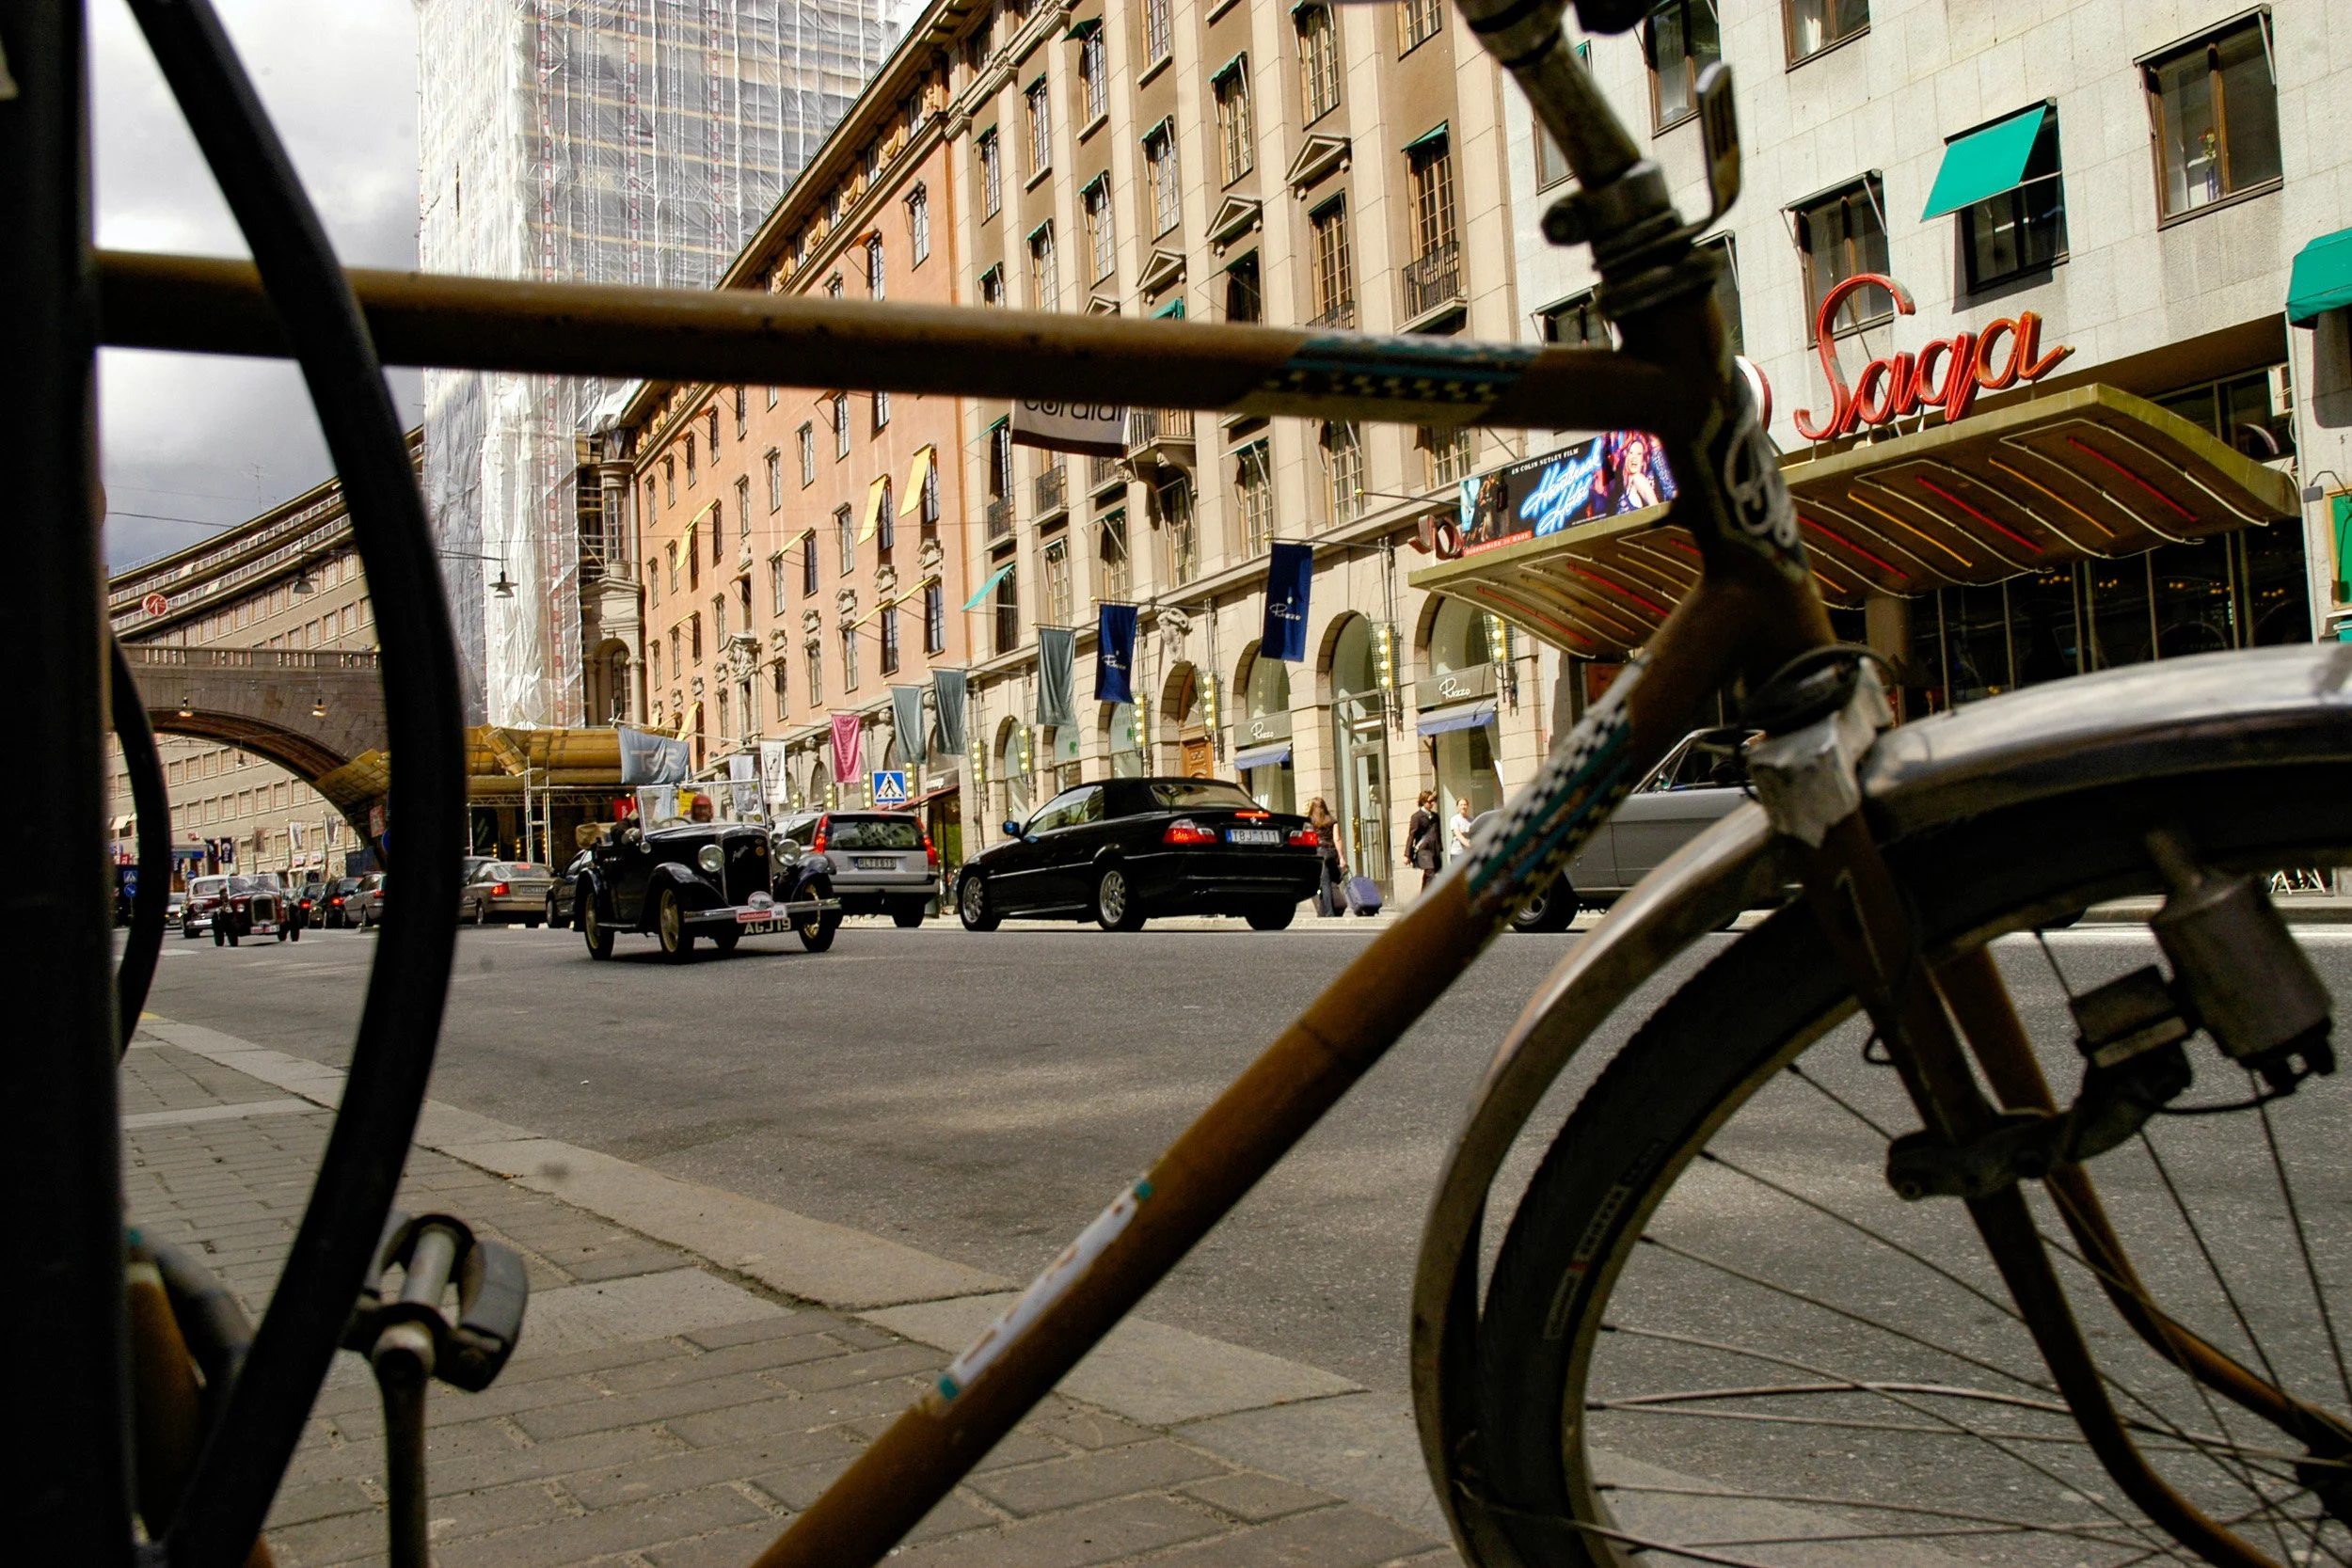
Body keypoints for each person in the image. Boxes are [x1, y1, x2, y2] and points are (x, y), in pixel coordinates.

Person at [1305, 797, 1348, 916]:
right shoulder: (1332, 821)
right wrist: (1341, 857)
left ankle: (1329, 912)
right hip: (1331, 853)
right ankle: (1324, 910)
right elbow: (1337, 839)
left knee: (1324, 882)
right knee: (1327, 880)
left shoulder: (1311, 822)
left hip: (1318, 853)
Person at [1406, 790, 1440, 892]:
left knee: (1428, 875)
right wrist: (1407, 854)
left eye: (1433, 801)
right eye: (1430, 801)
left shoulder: (1435, 816)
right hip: (1423, 850)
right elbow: (1411, 835)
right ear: (1423, 802)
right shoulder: (1417, 817)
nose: (1432, 803)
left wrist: (1440, 848)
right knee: (1431, 873)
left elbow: (1438, 834)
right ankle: (1430, 900)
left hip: (1434, 850)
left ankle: (1423, 899)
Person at [1449, 797, 1473, 862]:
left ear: (1468, 806)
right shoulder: (1454, 819)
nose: (1463, 807)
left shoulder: (1471, 820)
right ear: (1457, 807)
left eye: (1465, 805)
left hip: (1468, 853)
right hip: (1457, 853)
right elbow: (1459, 835)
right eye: (1461, 805)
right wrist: (1469, 846)